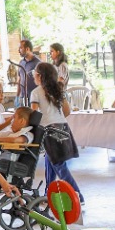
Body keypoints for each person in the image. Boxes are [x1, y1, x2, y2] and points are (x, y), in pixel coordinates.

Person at [31, 60, 83, 199]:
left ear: (40, 76)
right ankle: (49, 193)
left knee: (60, 166)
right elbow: (67, 111)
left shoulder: (36, 92)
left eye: (34, 74)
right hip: (63, 127)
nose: (33, 77)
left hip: (49, 130)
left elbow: (34, 115)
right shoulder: (58, 90)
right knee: (51, 160)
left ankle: (78, 196)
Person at [14, 39, 40, 107]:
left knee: (34, 117)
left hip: (34, 98)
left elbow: (42, 82)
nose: (18, 50)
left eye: (21, 48)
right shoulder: (21, 63)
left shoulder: (38, 63)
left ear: (27, 49)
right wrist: (17, 96)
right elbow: (19, 79)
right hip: (23, 97)